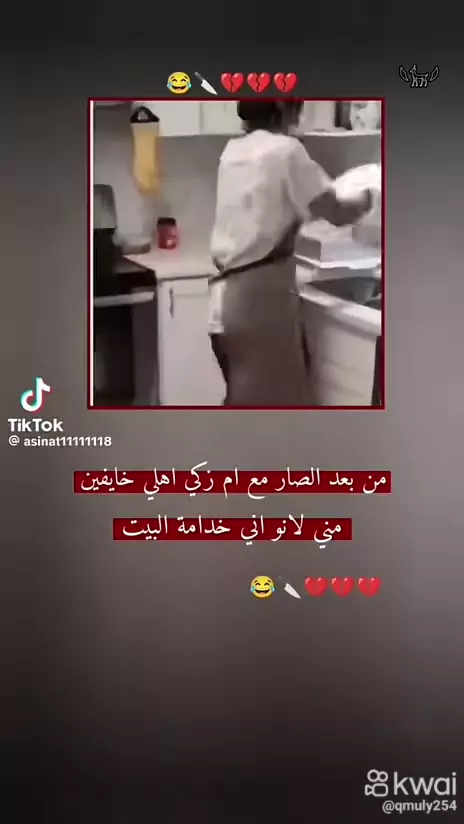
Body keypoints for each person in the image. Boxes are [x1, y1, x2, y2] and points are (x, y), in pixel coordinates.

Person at [209, 99, 372, 407]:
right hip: (259, 302)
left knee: (243, 400)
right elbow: (337, 211)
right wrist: (369, 195)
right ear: (285, 109)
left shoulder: (233, 151)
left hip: (223, 299)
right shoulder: (286, 150)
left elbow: (271, 209)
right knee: (273, 408)